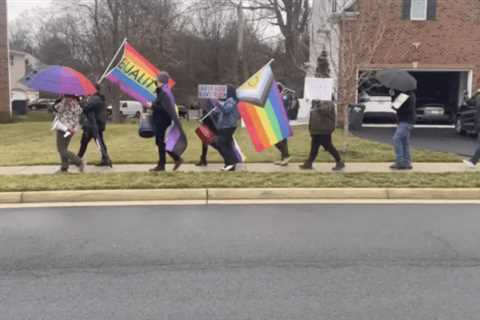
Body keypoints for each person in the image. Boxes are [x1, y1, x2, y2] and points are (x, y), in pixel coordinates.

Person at [150, 72, 187, 172]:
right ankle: (172, 160)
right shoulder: (162, 91)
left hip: (163, 122)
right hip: (160, 121)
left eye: (157, 79)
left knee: (161, 143)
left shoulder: (164, 93)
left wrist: (152, 106)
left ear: (161, 81)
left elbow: (164, 109)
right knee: (160, 143)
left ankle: (164, 164)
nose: (155, 80)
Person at [300, 100, 345, 171]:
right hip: (316, 132)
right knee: (314, 148)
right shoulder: (316, 107)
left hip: (324, 131)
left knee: (329, 147)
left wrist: (318, 104)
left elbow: (324, 110)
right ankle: (309, 163)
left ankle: (339, 162)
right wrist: (311, 131)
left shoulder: (329, 106)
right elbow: (312, 120)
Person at [77, 85, 112, 167]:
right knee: (87, 142)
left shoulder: (95, 99)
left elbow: (86, 107)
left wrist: (81, 101)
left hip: (93, 125)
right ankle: (78, 158)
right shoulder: (96, 98)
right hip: (94, 124)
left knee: (97, 142)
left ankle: (106, 159)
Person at [53, 95, 85, 173]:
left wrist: (60, 100)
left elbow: (56, 109)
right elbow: (80, 113)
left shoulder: (64, 102)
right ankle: (64, 168)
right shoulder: (76, 103)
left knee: (61, 150)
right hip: (71, 130)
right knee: (64, 148)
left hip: (63, 128)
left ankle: (79, 162)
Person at [213, 85, 241, 171]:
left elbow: (226, 110)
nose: (222, 93)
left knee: (220, 143)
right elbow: (222, 112)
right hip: (223, 126)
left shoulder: (231, 101)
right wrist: (216, 110)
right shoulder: (227, 101)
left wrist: (217, 102)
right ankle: (229, 164)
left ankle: (231, 162)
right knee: (226, 144)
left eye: (224, 91)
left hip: (228, 126)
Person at [390, 89, 416, 170]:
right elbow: (395, 106)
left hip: (406, 121)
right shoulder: (405, 94)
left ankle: (400, 162)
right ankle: (407, 163)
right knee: (404, 142)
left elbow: (402, 108)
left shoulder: (407, 95)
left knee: (396, 139)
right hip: (404, 121)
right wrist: (393, 96)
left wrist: (397, 106)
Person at [196, 99, 219, 167]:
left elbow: (211, 120)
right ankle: (203, 160)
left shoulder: (214, 109)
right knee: (204, 145)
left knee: (217, 146)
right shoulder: (206, 110)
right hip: (206, 130)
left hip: (212, 130)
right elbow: (204, 117)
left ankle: (230, 158)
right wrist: (201, 119)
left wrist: (203, 119)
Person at [274, 82, 291, 166]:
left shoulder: (280, 97)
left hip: (280, 121)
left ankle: (286, 156)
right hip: (282, 120)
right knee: (283, 141)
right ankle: (284, 159)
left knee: (275, 140)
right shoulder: (283, 97)